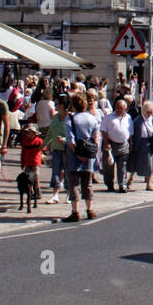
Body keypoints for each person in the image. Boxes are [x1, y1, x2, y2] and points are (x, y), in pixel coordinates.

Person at [63, 90, 101, 221]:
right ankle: (90, 210)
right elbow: (96, 136)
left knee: (73, 184)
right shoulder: (92, 118)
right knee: (87, 183)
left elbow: (70, 139)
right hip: (89, 154)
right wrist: (92, 152)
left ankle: (75, 212)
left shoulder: (70, 118)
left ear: (73, 104)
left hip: (74, 155)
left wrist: (78, 154)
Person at [101, 98, 133, 193]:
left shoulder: (128, 118)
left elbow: (131, 132)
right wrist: (106, 143)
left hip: (123, 145)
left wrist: (131, 143)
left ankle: (122, 185)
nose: (119, 109)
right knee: (109, 167)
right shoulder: (109, 117)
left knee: (122, 166)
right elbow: (103, 130)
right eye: (117, 107)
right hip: (111, 144)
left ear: (125, 109)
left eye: (121, 108)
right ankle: (109, 185)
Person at [131, 100, 153, 191]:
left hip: (149, 144)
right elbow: (132, 133)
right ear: (143, 110)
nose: (149, 114)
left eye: (151, 113)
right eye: (148, 112)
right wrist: (132, 144)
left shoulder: (152, 120)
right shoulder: (137, 120)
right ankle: (130, 180)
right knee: (135, 164)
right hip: (139, 144)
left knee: (150, 165)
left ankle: (148, 184)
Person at [44, 98, 69, 204]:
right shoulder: (55, 117)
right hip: (56, 149)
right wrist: (43, 145)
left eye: (57, 104)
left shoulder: (70, 118)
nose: (55, 106)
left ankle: (69, 194)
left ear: (63, 105)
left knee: (68, 173)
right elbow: (50, 132)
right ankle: (55, 195)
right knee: (56, 172)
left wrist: (63, 140)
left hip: (67, 149)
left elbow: (74, 135)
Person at [18, 123, 45, 211]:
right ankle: (30, 191)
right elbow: (23, 153)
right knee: (27, 179)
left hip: (35, 162)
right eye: (28, 133)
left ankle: (37, 192)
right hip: (27, 162)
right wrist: (22, 163)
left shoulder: (39, 141)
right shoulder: (25, 142)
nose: (29, 134)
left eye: (31, 132)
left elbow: (44, 148)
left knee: (35, 178)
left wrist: (42, 154)